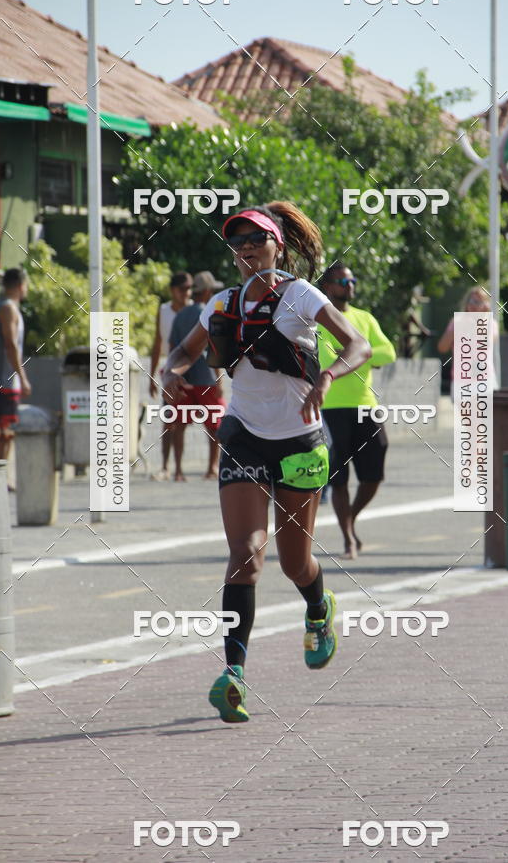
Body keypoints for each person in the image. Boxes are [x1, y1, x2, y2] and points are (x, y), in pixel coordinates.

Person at [163, 202, 370, 723]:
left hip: (300, 441)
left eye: (257, 238)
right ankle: (233, 675)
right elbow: (183, 353)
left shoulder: (300, 295)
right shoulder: (220, 305)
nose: (248, 247)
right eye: (239, 241)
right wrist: (171, 371)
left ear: (279, 246)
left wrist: (327, 377)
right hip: (243, 437)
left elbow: (358, 344)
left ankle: (319, 610)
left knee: (295, 561)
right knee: (245, 554)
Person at [317, 263, 396, 559]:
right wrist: (358, 355)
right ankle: (348, 538)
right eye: (342, 281)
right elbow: (327, 361)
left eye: (352, 280)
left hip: (366, 406)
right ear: (328, 286)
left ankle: (349, 517)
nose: (349, 285)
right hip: (332, 408)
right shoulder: (320, 321)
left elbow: (388, 352)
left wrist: (354, 354)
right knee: (338, 478)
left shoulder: (364, 318)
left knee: (373, 476)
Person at [168, 271, 225, 480]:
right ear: (208, 291)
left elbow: (173, 347)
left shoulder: (180, 315)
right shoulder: (210, 314)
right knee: (214, 426)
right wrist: (219, 378)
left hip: (183, 379)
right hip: (206, 378)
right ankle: (211, 468)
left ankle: (178, 470)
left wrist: (171, 374)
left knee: (180, 425)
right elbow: (215, 348)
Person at [149, 271, 193, 480]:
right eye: (182, 288)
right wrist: (151, 377)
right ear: (172, 291)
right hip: (170, 371)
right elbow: (157, 343)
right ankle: (166, 466)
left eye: (189, 288)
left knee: (202, 421)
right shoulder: (164, 310)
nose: (187, 292)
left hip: (194, 370)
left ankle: (181, 468)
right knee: (169, 420)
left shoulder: (196, 310)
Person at [0, 268, 31, 470]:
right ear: (20, 285)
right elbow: (10, 344)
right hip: (2, 382)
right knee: (2, 434)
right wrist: (22, 377)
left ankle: (1, 478)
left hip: (0, 381)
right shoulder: (8, 309)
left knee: (4, 434)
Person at [437, 286, 499, 399]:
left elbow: (488, 342)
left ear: (485, 305)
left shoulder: (491, 324)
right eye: (471, 301)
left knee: (483, 415)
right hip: (461, 380)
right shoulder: (457, 322)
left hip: (484, 380)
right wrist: (457, 328)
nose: (473, 304)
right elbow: (442, 347)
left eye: (477, 302)